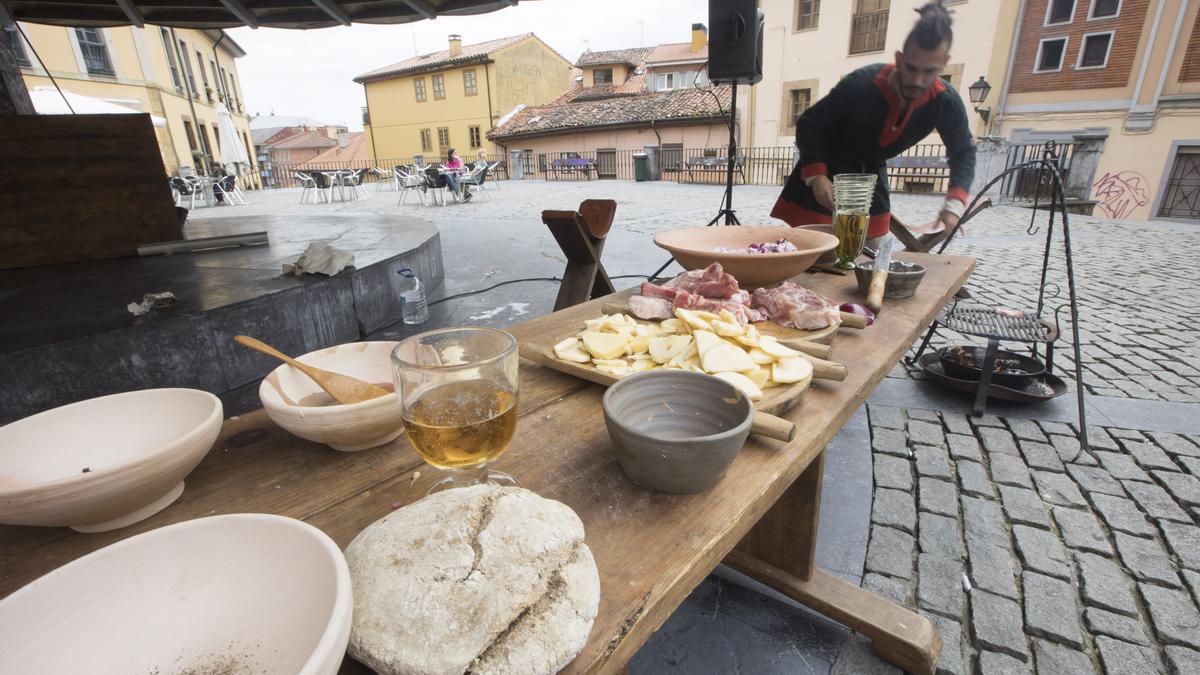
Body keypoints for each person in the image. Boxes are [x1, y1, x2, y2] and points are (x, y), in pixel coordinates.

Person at [771, 1, 975, 246]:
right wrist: (817, 177)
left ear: (944, 62)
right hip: (826, 170)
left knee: (870, 251)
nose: (918, 81)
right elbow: (809, 124)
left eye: (929, 71)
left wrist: (953, 205)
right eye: (911, 68)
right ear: (899, 59)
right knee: (813, 252)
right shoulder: (861, 84)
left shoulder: (946, 103)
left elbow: (963, 151)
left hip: (870, 177)